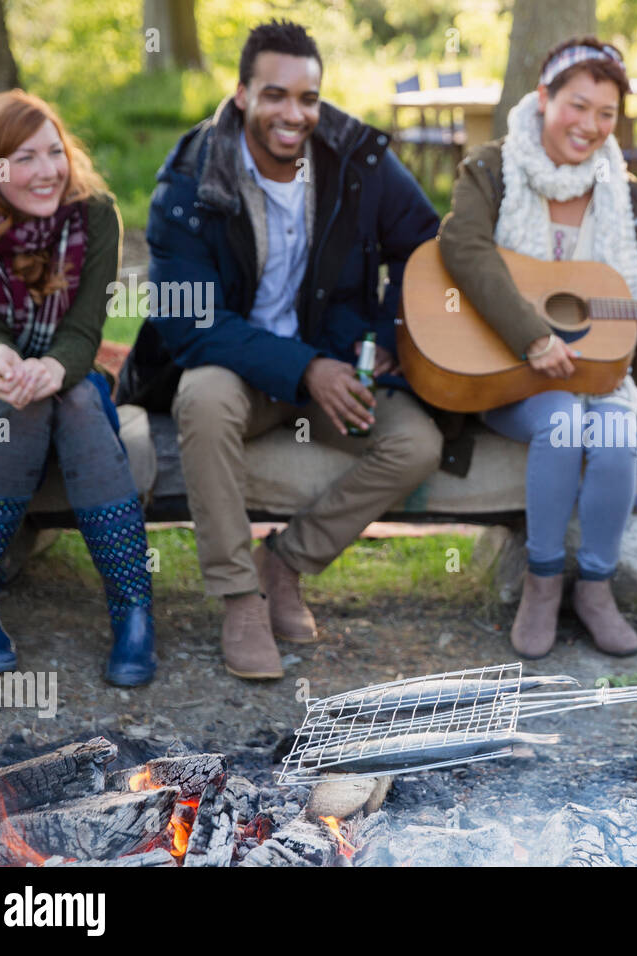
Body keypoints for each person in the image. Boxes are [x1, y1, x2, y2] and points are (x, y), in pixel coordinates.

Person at [116, 20, 442, 680]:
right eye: (275, 95)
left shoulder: (358, 162)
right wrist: (305, 369)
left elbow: (425, 242)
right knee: (202, 395)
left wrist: (389, 334)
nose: (294, 114)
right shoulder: (189, 181)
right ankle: (239, 598)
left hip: (330, 360)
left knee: (416, 444)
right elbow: (191, 324)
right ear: (241, 95)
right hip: (237, 370)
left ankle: (285, 564)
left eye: (307, 98)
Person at [437, 37, 637, 659]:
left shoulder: (628, 197)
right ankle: (542, 582)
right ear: (543, 99)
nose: (590, 126)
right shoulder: (492, 169)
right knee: (563, 419)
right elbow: (463, 249)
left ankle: (595, 585)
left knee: (621, 430)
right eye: (578, 105)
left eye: (606, 114)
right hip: (505, 371)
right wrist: (531, 336)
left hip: (597, 372)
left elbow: (621, 320)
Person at [0, 90, 156, 686]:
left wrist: (55, 368)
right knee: (29, 407)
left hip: (70, 374)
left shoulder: (95, 216)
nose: (48, 171)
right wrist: (8, 361)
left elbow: (86, 330)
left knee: (71, 397)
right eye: (25, 158)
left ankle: (132, 609)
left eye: (54, 152)